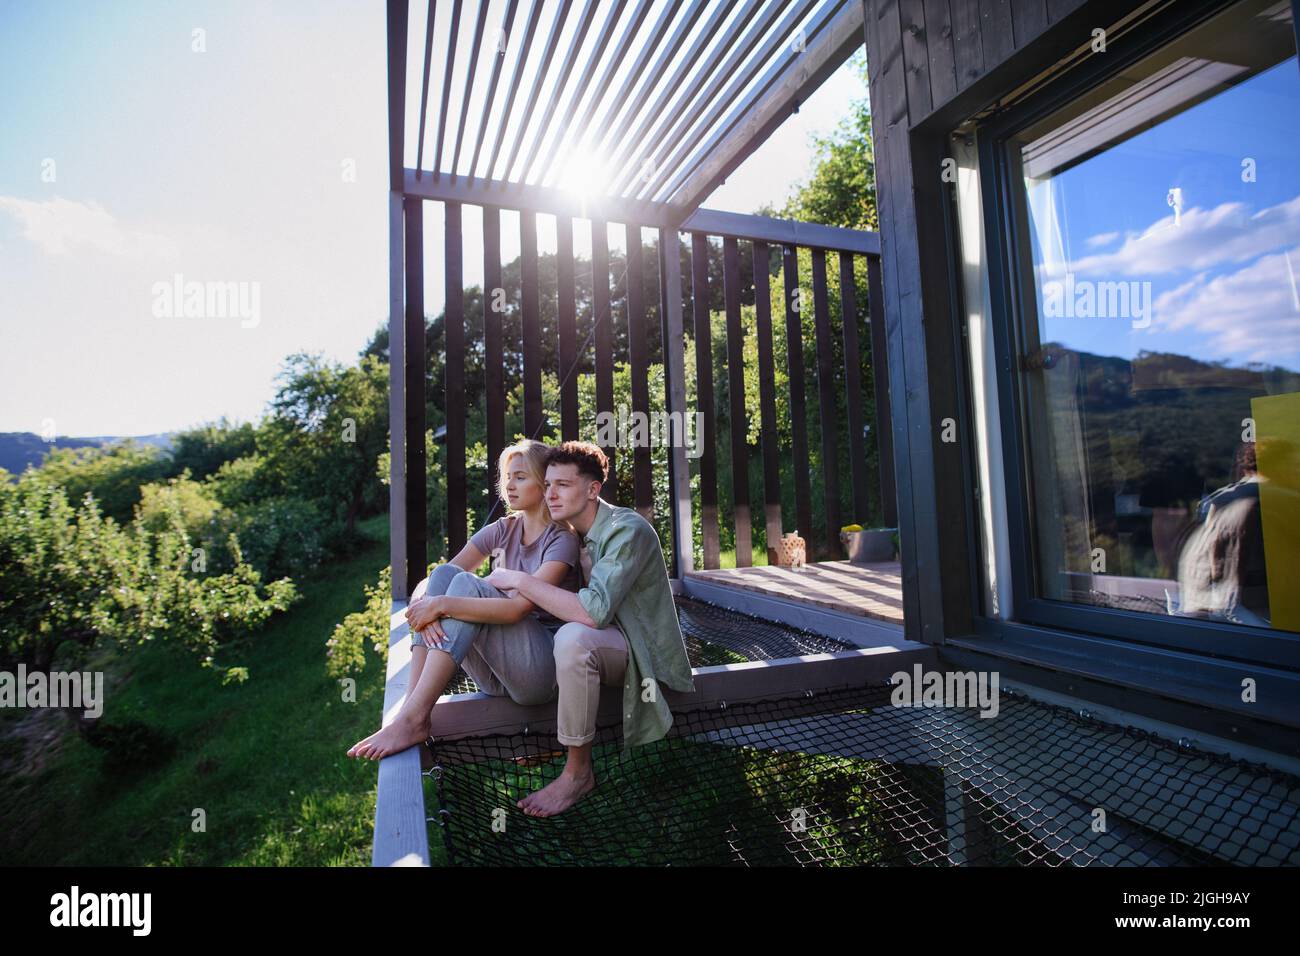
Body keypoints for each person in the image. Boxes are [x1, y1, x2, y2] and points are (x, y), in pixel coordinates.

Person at [484, 440, 695, 817]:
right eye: (547, 484)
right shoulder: (570, 533)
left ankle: (578, 773)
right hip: (601, 646)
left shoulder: (625, 529)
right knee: (552, 638)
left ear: (593, 489)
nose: (550, 494)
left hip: (637, 651)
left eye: (562, 485)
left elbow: (593, 613)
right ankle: (542, 736)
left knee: (574, 638)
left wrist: (520, 580)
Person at [346, 439, 581, 760]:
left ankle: (414, 717)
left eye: (521, 477)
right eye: (507, 476)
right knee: (445, 575)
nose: (509, 485)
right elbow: (436, 579)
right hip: (497, 676)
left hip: (540, 676)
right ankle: (412, 708)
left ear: (544, 485)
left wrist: (440, 606)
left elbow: (517, 610)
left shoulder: (561, 540)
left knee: (463, 586)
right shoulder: (504, 529)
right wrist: (425, 603)